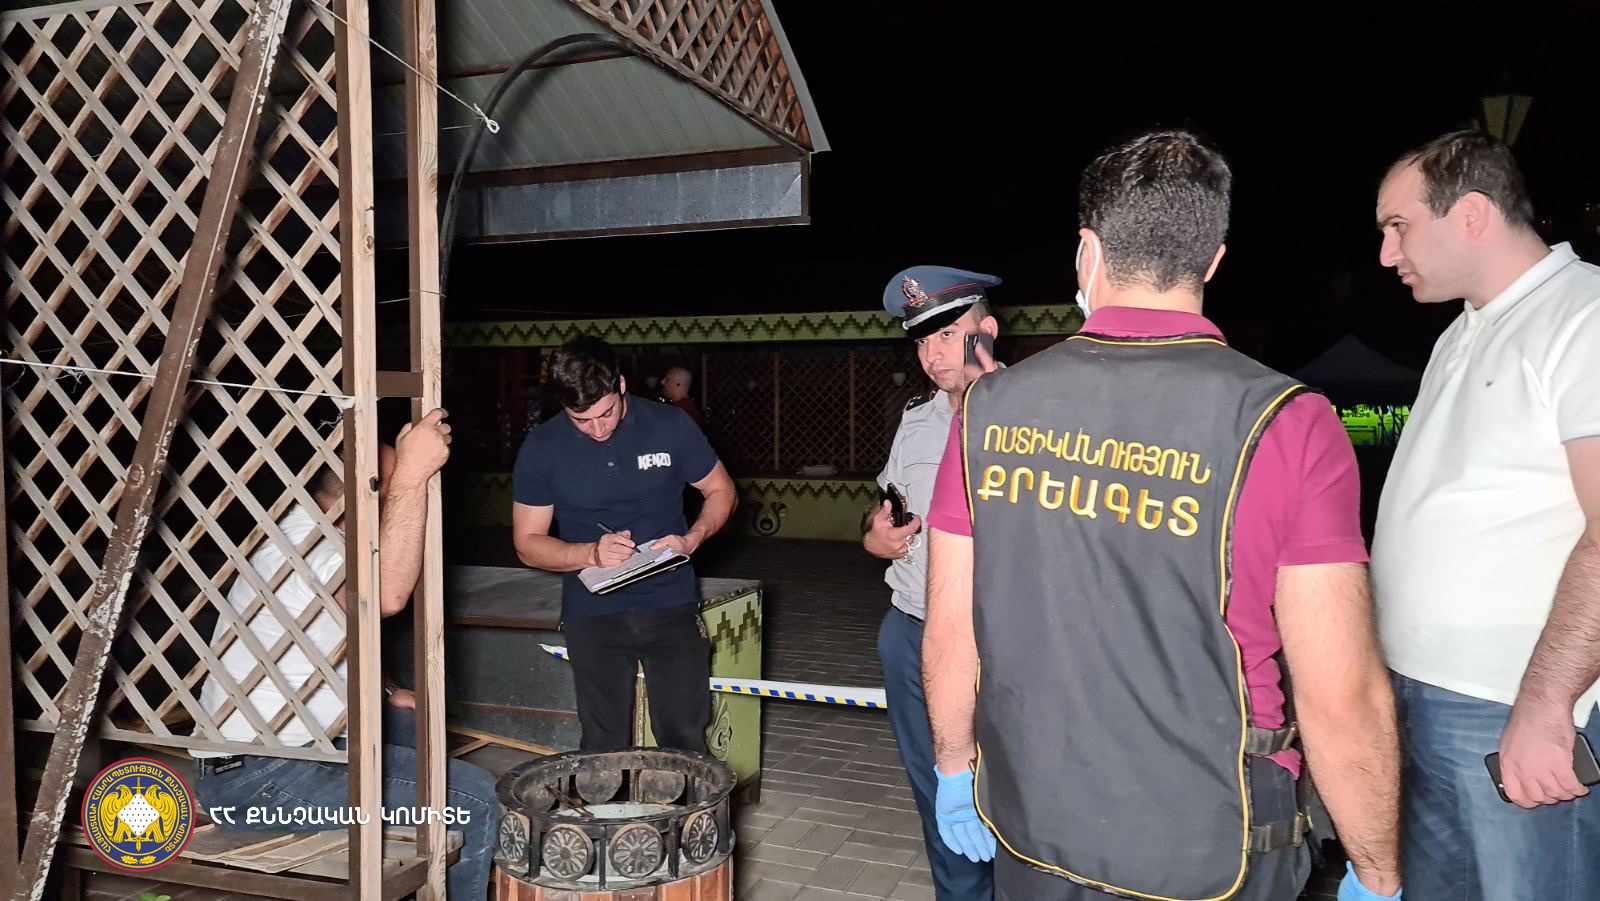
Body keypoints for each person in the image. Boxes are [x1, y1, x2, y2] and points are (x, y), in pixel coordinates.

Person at [921, 130, 1402, 901]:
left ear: (1087, 251)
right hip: (1211, 833)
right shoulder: (1285, 421)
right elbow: (1339, 692)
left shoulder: (989, 410)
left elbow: (951, 629)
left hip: (1034, 819)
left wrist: (953, 766)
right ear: (1213, 260)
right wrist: (1377, 873)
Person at [1371, 130, 1600, 899]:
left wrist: (1546, 704)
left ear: (1471, 214)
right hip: (1423, 697)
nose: (1387, 253)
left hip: (1512, 705)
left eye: (1398, 226)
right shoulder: (1464, 329)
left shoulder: (1585, 314)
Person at [191, 410, 502, 901]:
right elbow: (386, 597)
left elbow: (333, 637)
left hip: (295, 752)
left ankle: (413, 861)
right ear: (364, 492)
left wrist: (388, 689)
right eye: (392, 489)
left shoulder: (317, 534)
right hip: (257, 781)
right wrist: (414, 476)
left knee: (411, 722)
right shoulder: (307, 547)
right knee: (475, 799)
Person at [511, 336, 737, 752]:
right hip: (592, 611)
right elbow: (527, 543)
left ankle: (680, 799)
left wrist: (693, 537)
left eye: (606, 413)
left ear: (620, 385)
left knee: (684, 739)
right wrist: (589, 553)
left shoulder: (670, 425)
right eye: (582, 420)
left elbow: (721, 490)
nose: (598, 429)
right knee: (603, 744)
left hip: (670, 602)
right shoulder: (542, 447)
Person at [865, 264, 1001, 900]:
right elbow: (885, 510)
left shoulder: (1033, 420)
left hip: (995, 643)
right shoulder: (916, 420)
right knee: (939, 800)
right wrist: (876, 537)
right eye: (922, 341)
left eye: (947, 335)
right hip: (911, 631)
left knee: (1009, 799)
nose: (932, 355)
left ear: (986, 331)